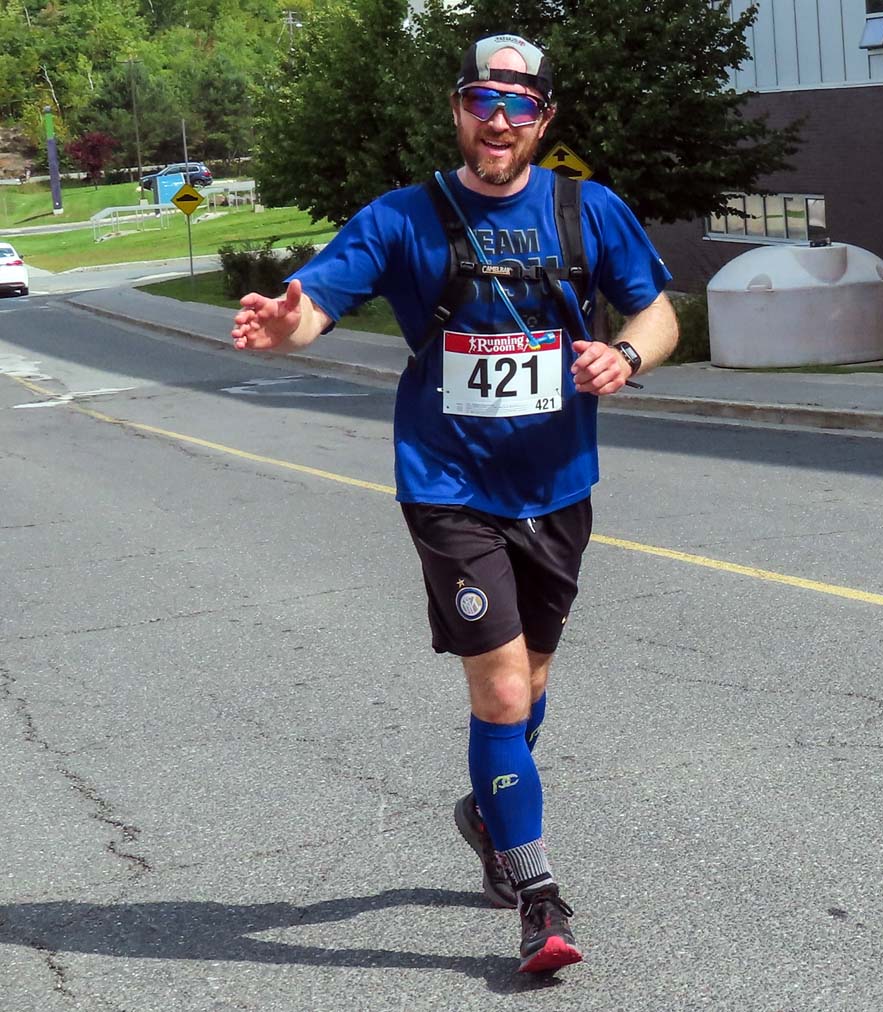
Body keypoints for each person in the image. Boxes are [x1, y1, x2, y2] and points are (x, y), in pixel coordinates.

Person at [230, 33, 678, 974]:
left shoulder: (587, 208)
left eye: (519, 105)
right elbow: (316, 304)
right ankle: (538, 896)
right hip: (447, 485)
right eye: (483, 101)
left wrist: (626, 353)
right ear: (458, 110)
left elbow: (658, 312)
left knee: (531, 689)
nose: (499, 120)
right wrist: (284, 325)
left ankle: (486, 811)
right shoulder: (404, 217)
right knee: (503, 689)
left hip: (558, 485)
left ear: (543, 121)